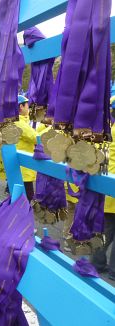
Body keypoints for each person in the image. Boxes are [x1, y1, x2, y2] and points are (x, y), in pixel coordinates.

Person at [91, 103, 115, 280]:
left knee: (106, 229)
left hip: (106, 182)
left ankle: (97, 263)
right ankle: (113, 269)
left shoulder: (109, 128)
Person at [14, 95, 37, 201]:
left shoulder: (20, 121)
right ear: (21, 107)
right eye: (27, 105)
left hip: (21, 166)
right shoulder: (19, 123)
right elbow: (34, 137)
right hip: (23, 168)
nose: (29, 107)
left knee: (17, 195)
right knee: (27, 197)